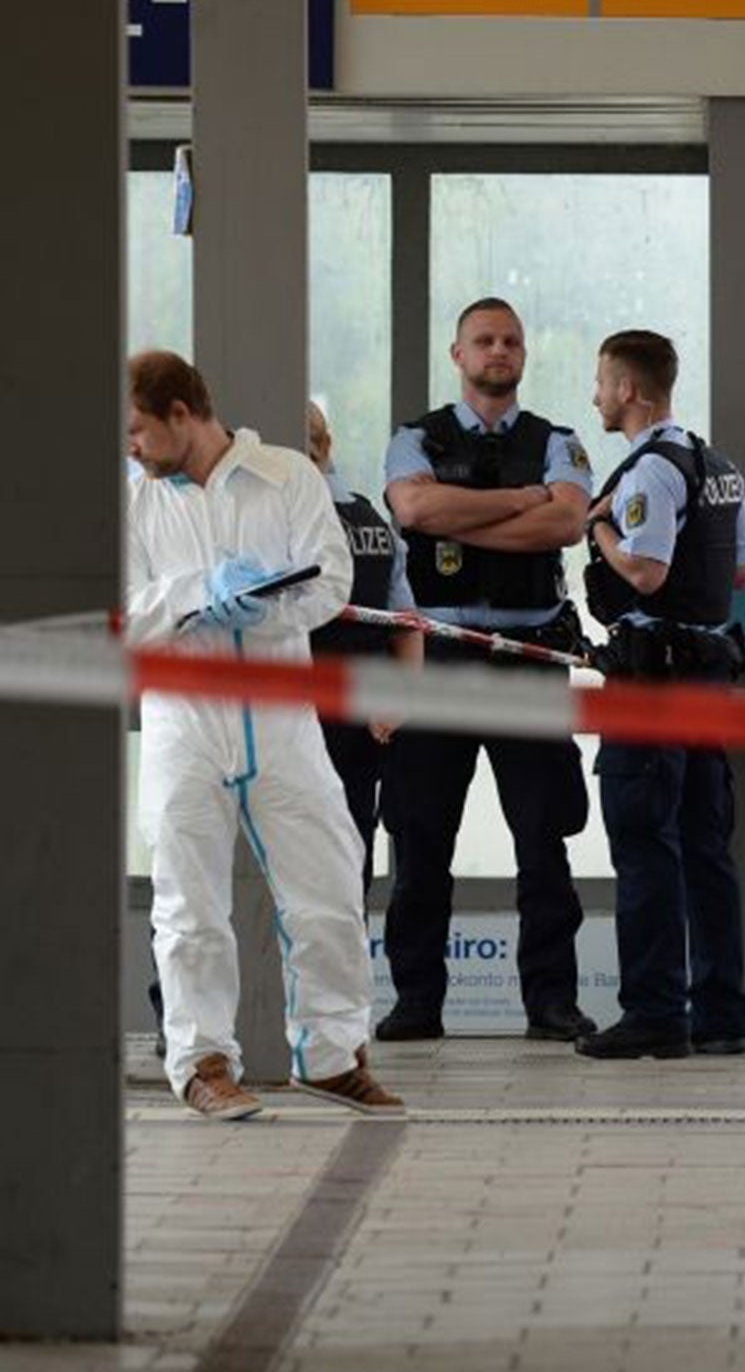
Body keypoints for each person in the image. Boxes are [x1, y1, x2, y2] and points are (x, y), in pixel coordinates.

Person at [125, 351, 403, 1121]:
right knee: (188, 903)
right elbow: (123, 612)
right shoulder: (134, 504)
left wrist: (262, 607)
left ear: (183, 414)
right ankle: (203, 1062)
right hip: (184, 718)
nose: (132, 448)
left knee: (328, 887)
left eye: (139, 431)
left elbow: (332, 584)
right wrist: (195, 598)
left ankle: (332, 1056)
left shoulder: (288, 477)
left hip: (282, 714)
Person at [377, 297, 596, 1043]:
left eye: (509, 341)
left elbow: (566, 522)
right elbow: (412, 511)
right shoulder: (415, 439)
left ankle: (552, 1003)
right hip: (437, 659)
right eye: (483, 341)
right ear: (457, 354)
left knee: (542, 843)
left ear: (523, 356)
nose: (497, 351)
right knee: (420, 841)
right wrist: (515, 503)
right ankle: (415, 1003)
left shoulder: (559, 442)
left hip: (526, 659)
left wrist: (464, 511)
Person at [578, 330, 745, 1060]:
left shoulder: (647, 473)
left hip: (653, 683)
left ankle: (654, 1012)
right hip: (709, 676)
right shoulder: (719, 468)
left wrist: (601, 529)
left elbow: (645, 573)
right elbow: (741, 572)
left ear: (629, 391)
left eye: (601, 383)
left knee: (646, 842)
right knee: (706, 846)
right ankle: (720, 1014)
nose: (596, 396)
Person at [305, 400, 424, 902]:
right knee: (349, 864)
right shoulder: (375, 522)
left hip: (301, 718)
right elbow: (407, 626)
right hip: (364, 719)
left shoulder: (294, 521)